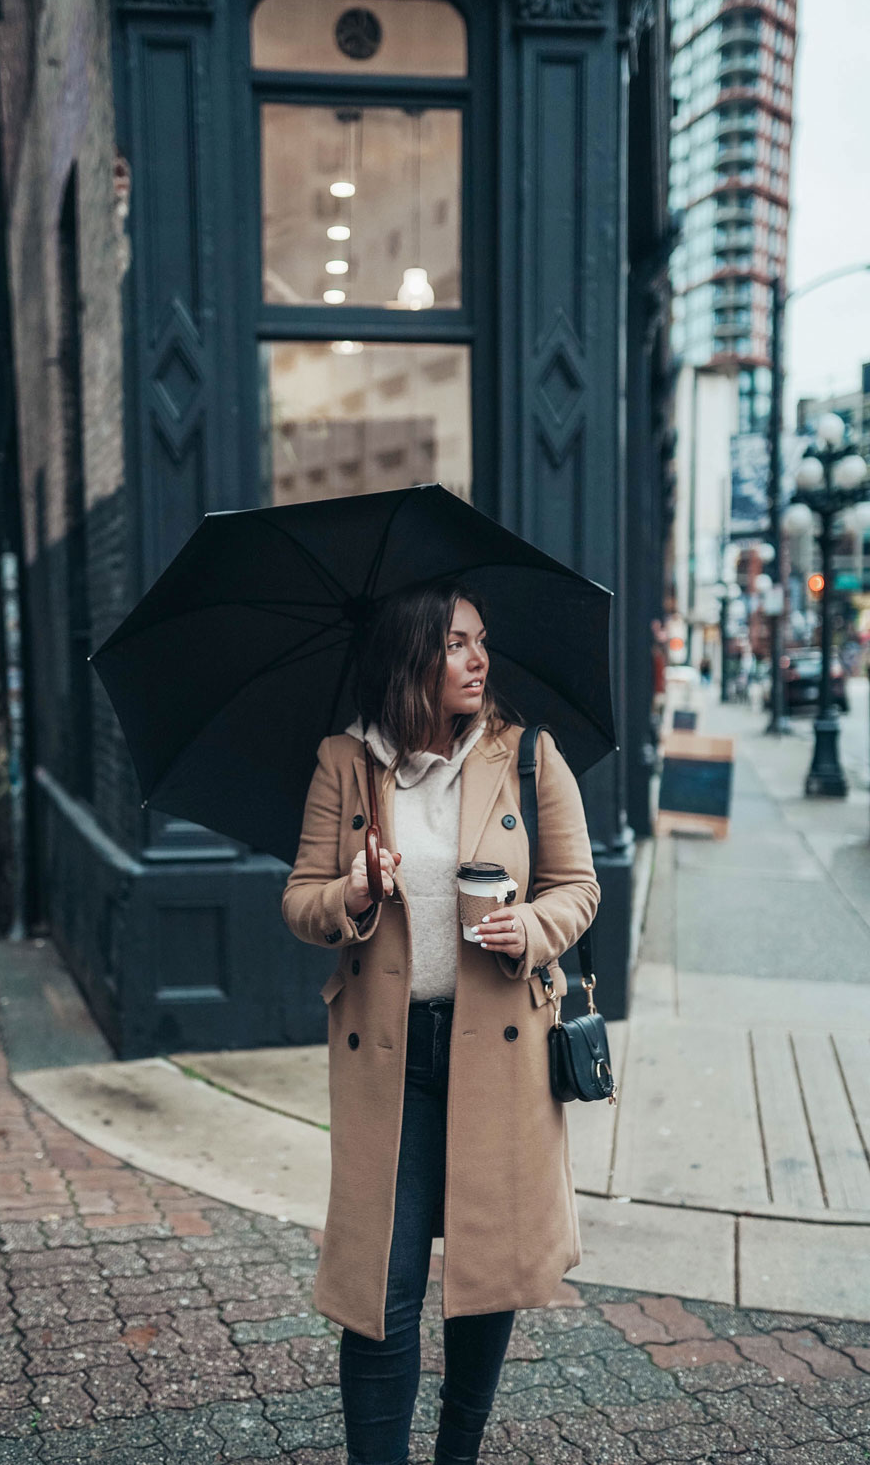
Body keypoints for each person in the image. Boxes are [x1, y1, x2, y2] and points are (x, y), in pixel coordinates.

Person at [281, 580, 600, 1465]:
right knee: (380, 1289)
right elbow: (299, 901)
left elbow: (579, 886)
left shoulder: (527, 755)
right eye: (456, 643)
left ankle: (457, 1454)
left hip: (498, 1055)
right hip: (391, 1058)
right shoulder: (347, 763)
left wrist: (529, 929)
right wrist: (349, 893)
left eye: (481, 641)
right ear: (408, 655)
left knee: (483, 1273)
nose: (478, 659)